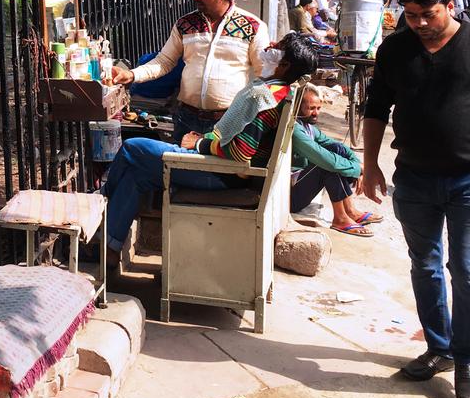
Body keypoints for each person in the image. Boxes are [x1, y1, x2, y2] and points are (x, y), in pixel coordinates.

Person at [104, 33, 318, 267]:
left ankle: (100, 202)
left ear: (284, 64)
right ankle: (110, 248)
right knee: (137, 175)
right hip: (222, 169)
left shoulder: (264, 97)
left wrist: (198, 144)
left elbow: (240, 153)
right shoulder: (275, 90)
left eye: (278, 46)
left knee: (132, 148)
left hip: (222, 174)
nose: (270, 46)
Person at [362, 0, 470, 398]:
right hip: (414, 179)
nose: (421, 24)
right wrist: (369, 166)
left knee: (465, 270)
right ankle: (439, 349)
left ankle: (466, 358)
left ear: (449, 5)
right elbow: (375, 110)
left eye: (428, 14)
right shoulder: (394, 51)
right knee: (424, 265)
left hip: (467, 181)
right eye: (411, 15)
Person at [112, 0, 269, 143]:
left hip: (228, 121)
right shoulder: (185, 24)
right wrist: (131, 74)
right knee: (180, 169)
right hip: (187, 118)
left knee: (220, 171)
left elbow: (263, 75)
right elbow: (164, 61)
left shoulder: (253, 27)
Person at [291, 84, 381, 237]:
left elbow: (337, 146)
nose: (315, 113)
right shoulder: (294, 129)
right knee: (327, 165)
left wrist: (358, 165)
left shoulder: (307, 126)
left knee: (337, 152)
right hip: (289, 198)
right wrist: (358, 169)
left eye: (318, 108)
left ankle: (350, 211)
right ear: (298, 106)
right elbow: (327, 161)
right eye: (311, 108)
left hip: (298, 187)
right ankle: (340, 218)